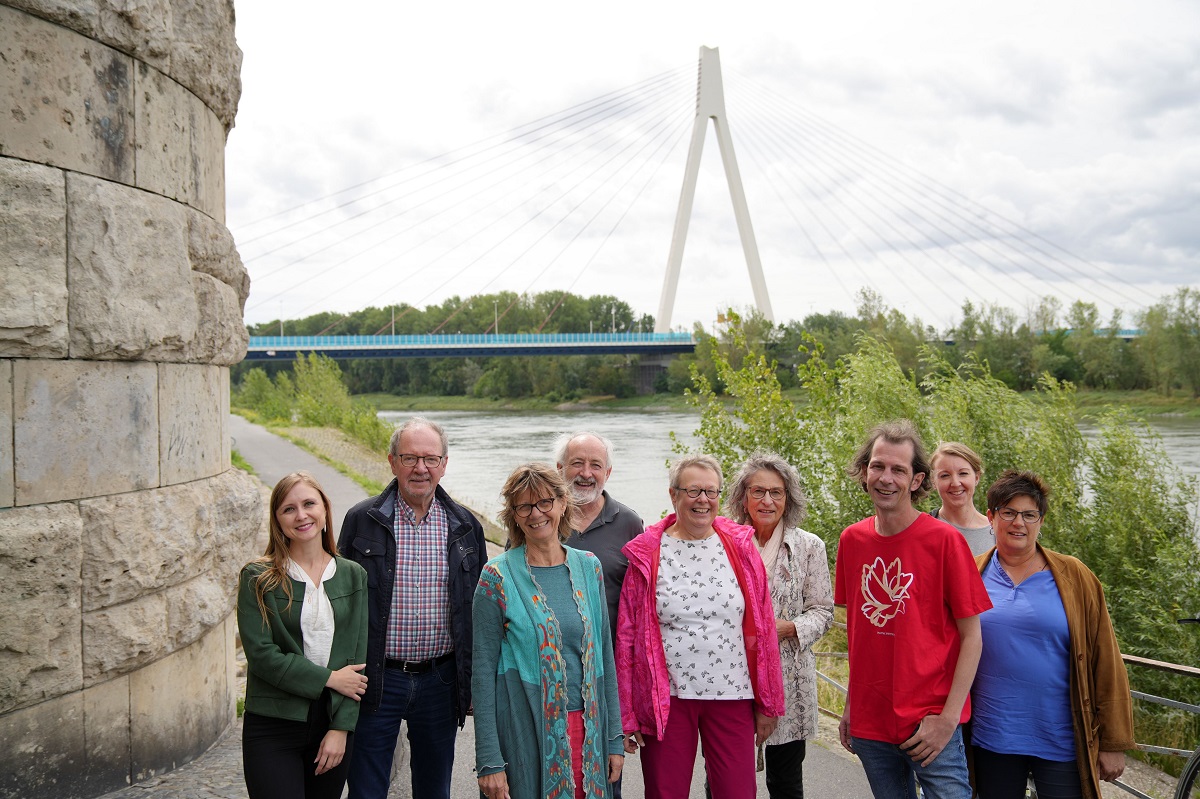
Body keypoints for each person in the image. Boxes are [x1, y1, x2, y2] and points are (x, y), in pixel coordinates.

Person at [834, 420, 992, 799]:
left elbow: (973, 637)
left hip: (929, 724)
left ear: (917, 480)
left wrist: (949, 719)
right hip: (870, 724)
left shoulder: (945, 541)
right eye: (878, 466)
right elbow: (858, 632)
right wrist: (850, 708)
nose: (886, 478)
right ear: (865, 471)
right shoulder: (852, 540)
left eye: (898, 470)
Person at [617, 453, 785, 799]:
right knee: (666, 792)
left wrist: (769, 702)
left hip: (733, 694)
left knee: (737, 792)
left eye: (711, 491)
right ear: (673, 494)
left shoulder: (740, 547)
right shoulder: (648, 552)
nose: (703, 500)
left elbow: (764, 627)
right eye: (693, 491)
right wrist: (627, 713)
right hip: (669, 698)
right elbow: (628, 635)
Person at [337, 417, 486, 799]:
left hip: (440, 679)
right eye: (410, 457)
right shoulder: (362, 520)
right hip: (377, 679)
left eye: (430, 458)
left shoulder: (466, 526)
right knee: (367, 789)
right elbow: (340, 605)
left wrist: (471, 682)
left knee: (434, 789)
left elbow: (478, 611)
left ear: (444, 464)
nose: (421, 468)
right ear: (391, 462)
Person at [971, 470, 1134, 799]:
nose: (1019, 523)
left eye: (1030, 514)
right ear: (991, 517)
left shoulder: (1075, 576)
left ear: (1041, 520)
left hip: (1061, 740)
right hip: (992, 738)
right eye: (1009, 512)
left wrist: (1114, 742)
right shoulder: (971, 572)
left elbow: (1106, 659)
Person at [473, 463, 624, 799]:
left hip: (588, 728)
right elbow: (482, 673)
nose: (536, 513)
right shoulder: (496, 577)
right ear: (513, 514)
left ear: (562, 503)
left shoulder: (589, 567)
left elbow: (604, 656)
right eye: (524, 506)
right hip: (525, 728)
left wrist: (614, 736)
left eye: (544, 502)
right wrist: (489, 761)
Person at [237, 472, 369, 799]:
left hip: (331, 723)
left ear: (324, 510)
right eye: (288, 509)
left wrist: (340, 729)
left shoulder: (353, 575)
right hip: (272, 725)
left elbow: (356, 664)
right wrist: (329, 678)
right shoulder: (258, 577)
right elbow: (263, 656)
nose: (301, 515)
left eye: (309, 504)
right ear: (278, 520)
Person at [725, 452, 834, 799]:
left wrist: (785, 628)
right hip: (734, 679)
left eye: (777, 492)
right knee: (726, 778)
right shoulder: (723, 544)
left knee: (786, 783)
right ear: (743, 497)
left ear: (788, 499)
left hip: (791, 681)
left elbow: (823, 610)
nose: (767, 501)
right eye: (758, 491)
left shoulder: (808, 546)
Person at [557, 431, 643, 799]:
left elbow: (640, 610)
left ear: (609, 472)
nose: (586, 473)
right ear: (560, 469)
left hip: (604, 675)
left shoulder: (629, 524)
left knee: (604, 778)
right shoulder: (540, 517)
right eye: (577, 463)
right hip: (542, 671)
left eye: (595, 465)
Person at [930, 442, 993, 555]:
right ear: (933, 481)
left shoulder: (997, 532)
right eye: (945, 475)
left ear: (977, 477)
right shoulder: (924, 531)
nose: (955, 483)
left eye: (963, 473)